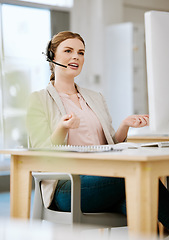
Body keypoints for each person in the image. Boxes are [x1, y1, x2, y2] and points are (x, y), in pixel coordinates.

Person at [27, 31, 169, 229]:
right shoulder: (38, 100)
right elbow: (39, 153)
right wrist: (62, 128)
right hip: (67, 185)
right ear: (52, 56)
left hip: (105, 178)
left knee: (146, 205)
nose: (76, 56)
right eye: (68, 51)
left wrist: (125, 125)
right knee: (139, 179)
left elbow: (110, 145)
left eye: (81, 52)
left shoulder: (95, 97)